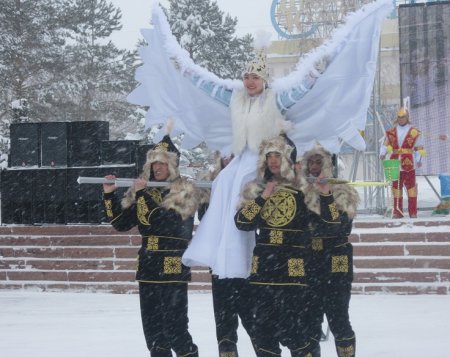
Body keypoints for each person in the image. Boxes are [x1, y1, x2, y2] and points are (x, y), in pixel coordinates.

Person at [182, 42, 325, 279]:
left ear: (264, 80)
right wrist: (187, 72)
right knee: (221, 182)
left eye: (255, 77)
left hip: (265, 159)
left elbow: (297, 93)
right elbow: (211, 89)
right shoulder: (236, 100)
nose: (250, 81)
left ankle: (240, 256)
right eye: (247, 77)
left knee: (243, 189)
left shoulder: (275, 100)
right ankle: (216, 248)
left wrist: (312, 76)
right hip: (242, 157)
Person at [234, 134, 342, 357]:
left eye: (278, 156)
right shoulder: (256, 187)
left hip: (293, 268)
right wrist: (263, 197)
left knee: (297, 332)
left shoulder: (304, 188)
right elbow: (242, 222)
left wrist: (326, 195)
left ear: (289, 159)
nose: (273, 160)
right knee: (263, 333)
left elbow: (332, 225)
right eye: (270, 156)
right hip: (263, 267)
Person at [102, 134, 199, 357]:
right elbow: (120, 223)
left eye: (163, 162)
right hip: (148, 266)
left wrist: (143, 193)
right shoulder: (144, 190)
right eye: (154, 162)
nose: (157, 167)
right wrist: (109, 195)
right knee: (154, 333)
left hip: (173, 265)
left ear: (172, 165)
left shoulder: (185, 190)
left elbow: (170, 224)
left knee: (176, 330)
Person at [299, 145, 360, 357]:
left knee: (339, 318)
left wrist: (326, 198)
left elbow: (339, 227)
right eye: (311, 162)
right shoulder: (299, 190)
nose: (315, 167)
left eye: (319, 162)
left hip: (336, 258)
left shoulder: (343, 190)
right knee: (308, 322)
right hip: (308, 259)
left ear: (329, 164)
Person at [198, 152, 257, 356]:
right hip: (219, 262)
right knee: (224, 324)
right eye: (225, 156)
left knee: (254, 321)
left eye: (233, 155)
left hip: (245, 262)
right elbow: (204, 217)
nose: (229, 160)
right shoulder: (213, 184)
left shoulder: (251, 182)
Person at [379, 106, 426, 218]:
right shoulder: (391, 132)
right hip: (395, 163)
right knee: (396, 189)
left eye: (403, 117)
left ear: (407, 117)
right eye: (399, 117)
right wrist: (382, 153)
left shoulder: (414, 131)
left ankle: (413, 212)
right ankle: (397, 212)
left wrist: (419, 159)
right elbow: (385, 144)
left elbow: (419, 147)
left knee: (411, 189)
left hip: (409, 163)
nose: (401, 119)